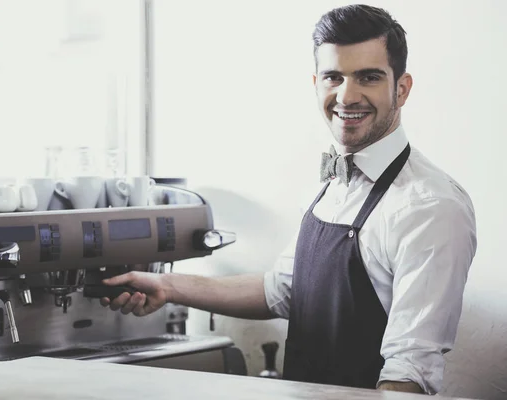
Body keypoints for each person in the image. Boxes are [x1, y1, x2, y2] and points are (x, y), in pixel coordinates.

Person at [100, 4, 477, 395]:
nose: (347, 96)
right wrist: (168, 287)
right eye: (334, 77)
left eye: (368, 77)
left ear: (401, 88)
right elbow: (281, 291)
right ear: (316, 83)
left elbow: (409, 372)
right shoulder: (330, 181)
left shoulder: (430, 206)